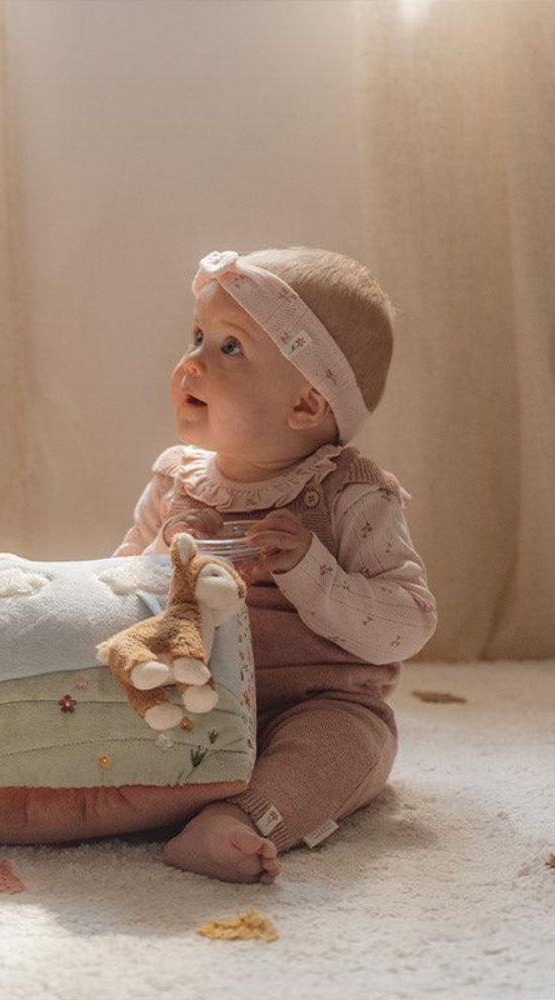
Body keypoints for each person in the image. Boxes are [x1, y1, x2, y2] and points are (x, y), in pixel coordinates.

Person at [114, 247, 437, 883]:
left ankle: (240, 819)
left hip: (312, 704)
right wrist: (162, 555)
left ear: (306, 406)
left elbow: (409, 624)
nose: (191, 362)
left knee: (348, 749)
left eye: (229, 347)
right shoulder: (176, 483)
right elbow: (113, 593)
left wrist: (312, 569)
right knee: (98, 701)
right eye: (197, 336)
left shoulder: (351, 495)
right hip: (190, 695)